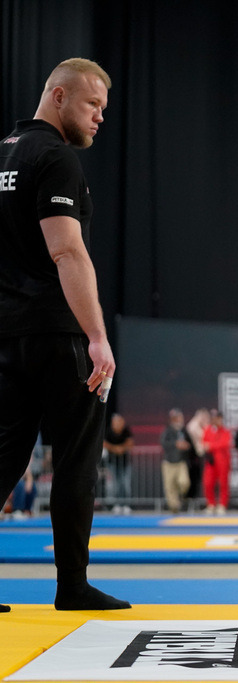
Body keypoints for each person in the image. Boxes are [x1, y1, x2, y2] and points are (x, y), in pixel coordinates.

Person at [0, 58, 129, 612]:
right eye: (91, 105)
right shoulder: (54, 157)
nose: (100, 117)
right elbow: (67, 250)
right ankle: (72, 587)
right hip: (57, 333)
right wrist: (97, 336)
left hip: (6, 335)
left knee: (3, 459)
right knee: (77, 460)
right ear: (57, 96)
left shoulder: (2, 154)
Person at [159, 409, 191, 514]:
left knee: (184, 482)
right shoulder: (167, 431)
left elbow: (190, 444)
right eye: (178, 418)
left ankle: (181, 497)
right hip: (169, 463)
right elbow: (163, 443)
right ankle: (174, 507)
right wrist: (175, 444)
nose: (180, 420)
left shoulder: (183, 431)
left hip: (181, 462)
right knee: (170, 486)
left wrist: (186, 446)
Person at [201, 409, 232, 515]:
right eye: (213, 418)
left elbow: (225, 444)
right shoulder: (208, 430)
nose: (215, 420)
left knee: (223, 483)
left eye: (217, 418)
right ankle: (211, 504)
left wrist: (211, 446)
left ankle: (222, 504)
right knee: (208, 482)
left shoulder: (225, 431)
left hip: (223, 461)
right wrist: (211, 446)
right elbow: (204, 443)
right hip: (211, 461)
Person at [103, 413, 134, 514]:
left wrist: (122, 448)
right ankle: (115, 505)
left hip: (125, 463)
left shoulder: (126, 431)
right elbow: (104, 443)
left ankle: (125, 505)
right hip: (112, 463)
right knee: (114, 485)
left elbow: (130, 443)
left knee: (125, 484)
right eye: (115, 422)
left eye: (119, 422)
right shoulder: (108, 432)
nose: (117, 424)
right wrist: (115, 448)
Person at [185, 408, 209, 507]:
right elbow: (201, 436)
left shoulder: (204, 426)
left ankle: (194, 499)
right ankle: (188, 500)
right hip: (191, 457)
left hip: (199, 457)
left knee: (198, 479)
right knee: (191, 479)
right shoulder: (193, 426)